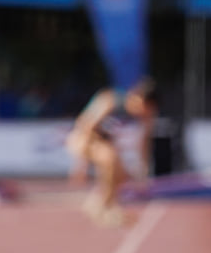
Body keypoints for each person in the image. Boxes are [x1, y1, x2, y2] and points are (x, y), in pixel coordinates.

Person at [65, 76, 158, 227]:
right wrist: (80, 165)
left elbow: (144, 143)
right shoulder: (110, 100)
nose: (144, 113)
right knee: (110, 158)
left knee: (122, 174)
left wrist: (143, 171)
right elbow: (86, 126)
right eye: (144, 108)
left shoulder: (146, 116)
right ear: (138, 98)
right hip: (83, 138)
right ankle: (105, 208)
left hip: (106, 145)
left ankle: (100, 202)